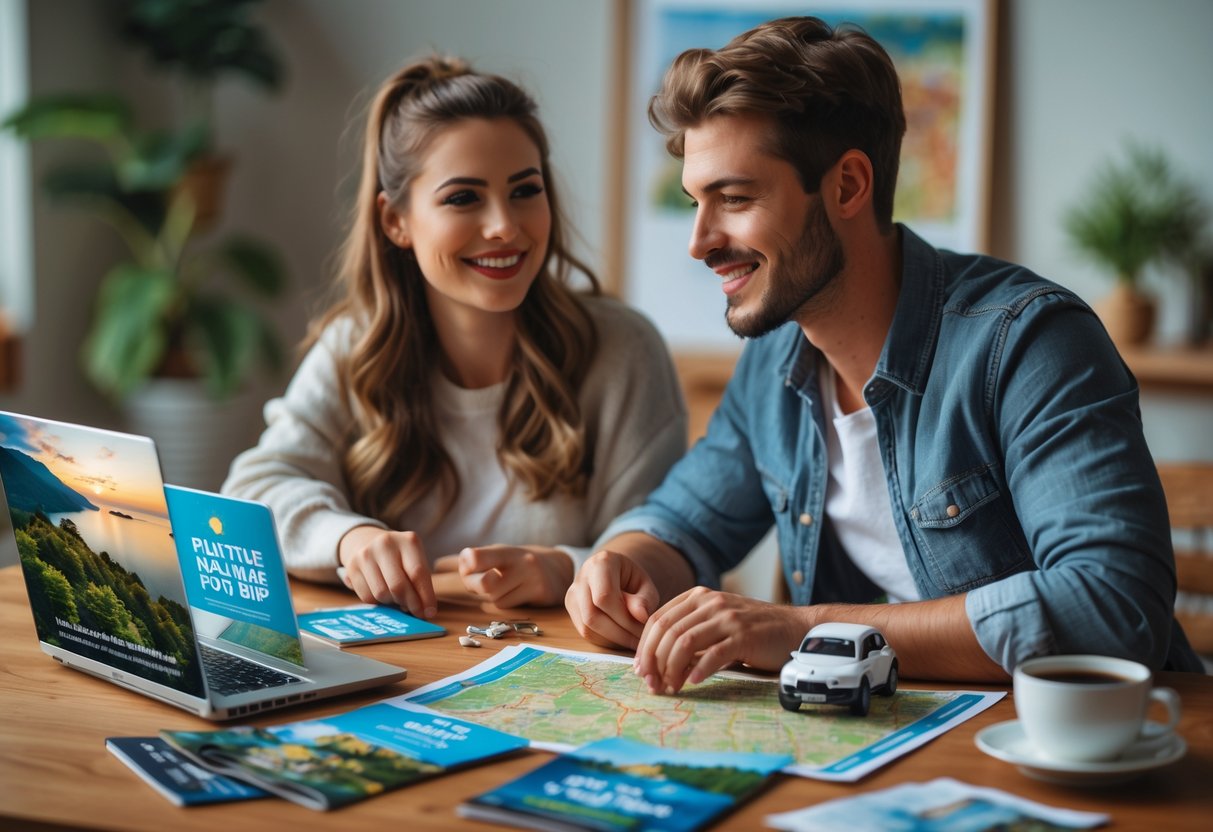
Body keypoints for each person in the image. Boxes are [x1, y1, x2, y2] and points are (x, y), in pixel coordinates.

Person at [564, 16, 1203, 691]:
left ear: (846, 186)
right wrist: (626, 559)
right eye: (696, 201)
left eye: (734, 198)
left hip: (1096, 755)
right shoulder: (775, 355)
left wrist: (803, 630)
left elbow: (1109, 606)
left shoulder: (1030, 344)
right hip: (896, 744)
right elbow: (686, 521)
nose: (698, 241)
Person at [224, 56, 686, 618]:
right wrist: (350, 540)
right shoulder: (353, 347)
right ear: (395, 220)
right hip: (402, 677)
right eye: (463, 197)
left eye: (525, 190)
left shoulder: (623, 352)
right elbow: (252, 491)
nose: (505, 226)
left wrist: (562, 566)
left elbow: (669, 541)